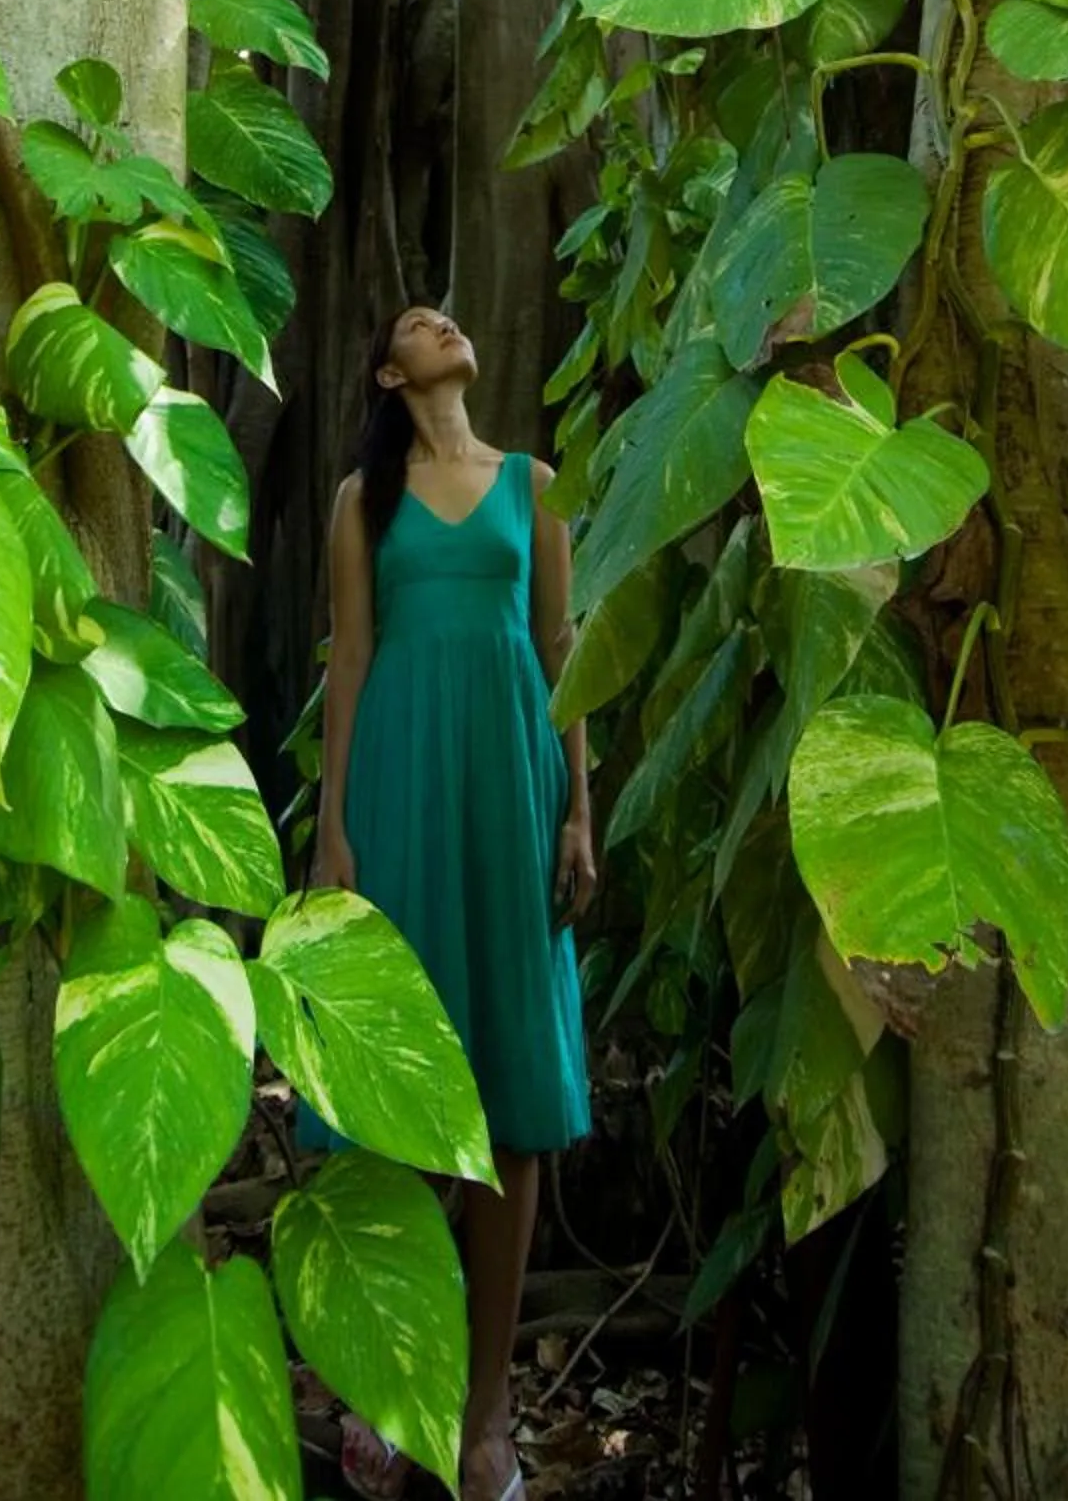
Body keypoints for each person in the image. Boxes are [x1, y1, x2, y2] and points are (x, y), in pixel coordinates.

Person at [304, 302, 595, 1501]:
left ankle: (484, 1416)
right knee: (396, 1096)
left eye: (449, 315)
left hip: (512, 791)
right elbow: (353, 661)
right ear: (390, 370)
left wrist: (580, 811)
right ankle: (388, 1391)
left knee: (510, 1100)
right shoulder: (357, 503)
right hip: (403, 785)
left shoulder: (536, 486)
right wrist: (330, 832)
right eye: (416, 323)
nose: (443, 319)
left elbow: (562, 644)